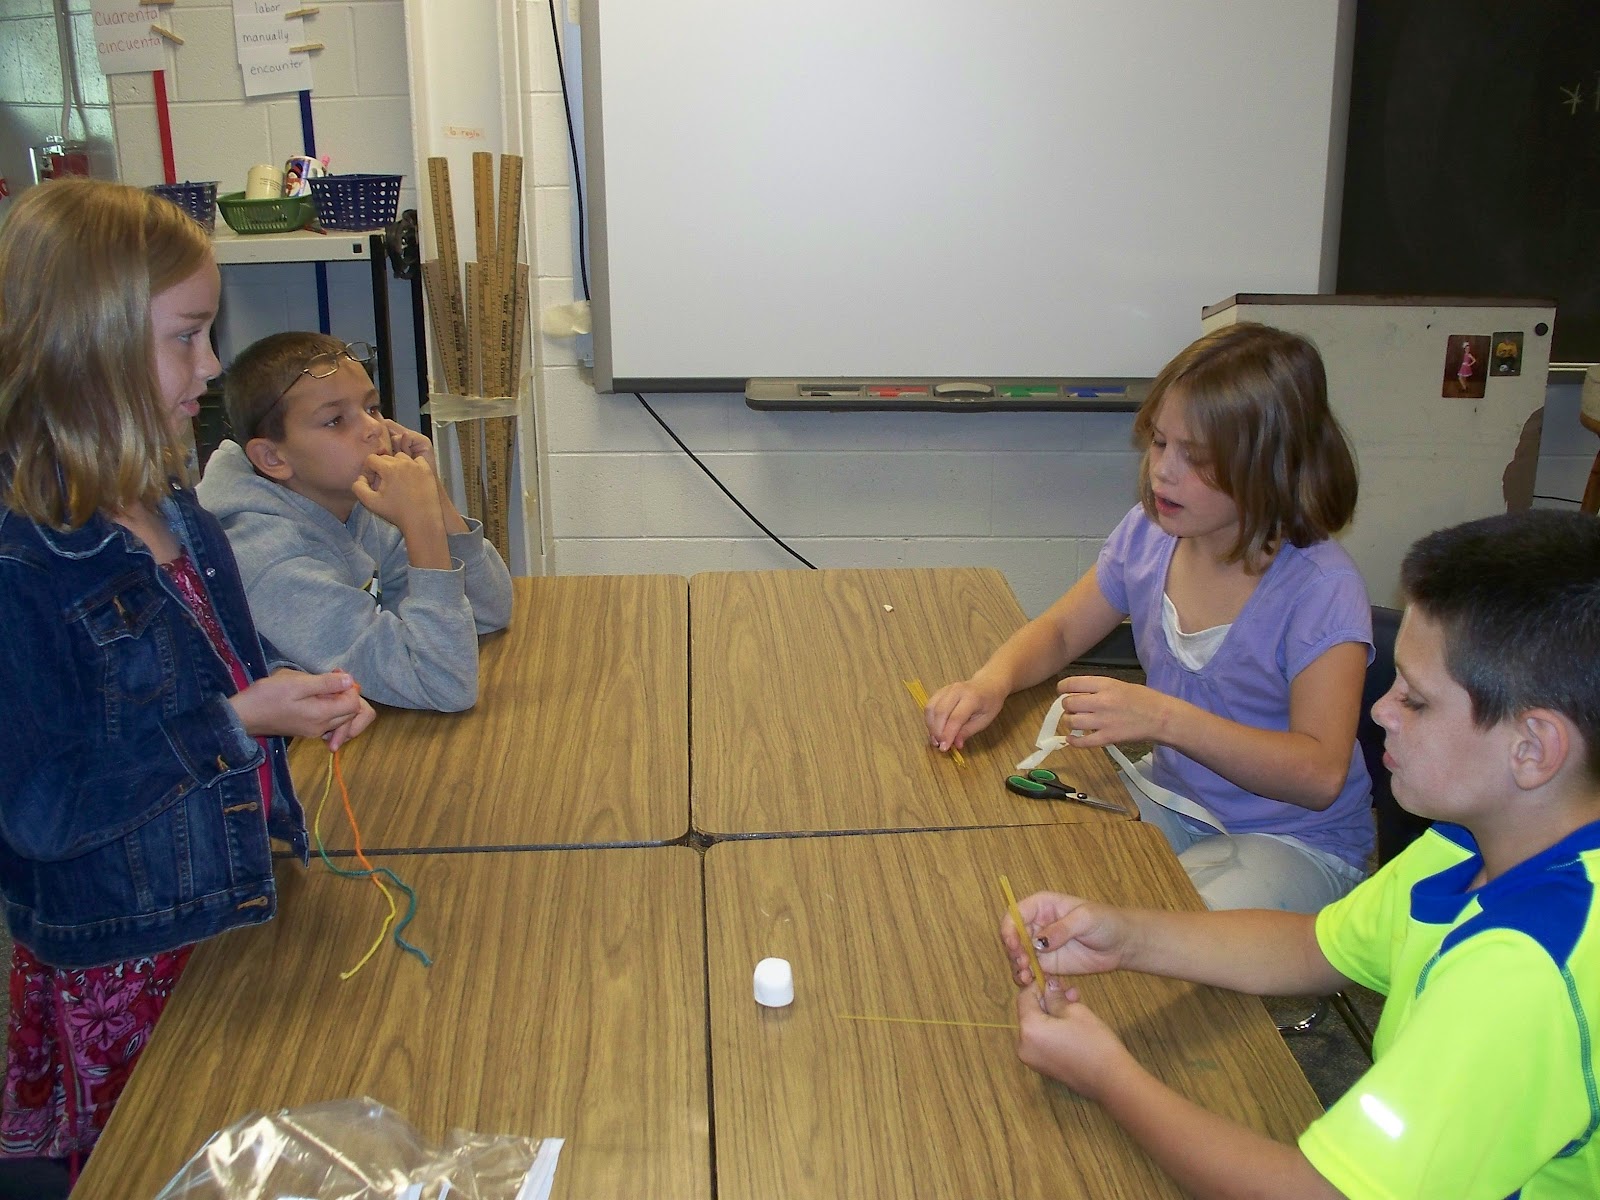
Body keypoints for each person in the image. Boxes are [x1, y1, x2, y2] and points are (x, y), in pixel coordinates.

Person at [1001, 509, 1600, 1199]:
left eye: (1417, 700)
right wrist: (1120, 936)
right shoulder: (1471, 845)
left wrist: (1107, 1075)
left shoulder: (1524, 974)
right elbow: (1316, 949)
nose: (1380, 713)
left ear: (1534, 749)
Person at [0, 179, 375, 1170]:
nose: (208, 368)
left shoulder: (168, 501)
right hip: (128, 953)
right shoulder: (23, 559)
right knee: (156, 1166)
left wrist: (284, 702)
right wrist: (233, 723)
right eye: (186, 336)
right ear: (88, 341)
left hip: (232, 902)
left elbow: (207, 673)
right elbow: (42, 807)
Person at [926, 323, 1373, 913]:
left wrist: (1163, 718)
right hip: (1178, 805)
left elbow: (1318, 776)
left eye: (1198, 457)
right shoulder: (1149, 533)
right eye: (1161, 443)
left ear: (1271, 464)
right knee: (1034, 879)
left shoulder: (1320, 588)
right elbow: (1060, 630)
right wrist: (992, 682)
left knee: (1150, 937)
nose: (1164, 471)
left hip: (1297, 843)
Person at [198, 331, 513, 711]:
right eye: (335, 421)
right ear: (272, 459)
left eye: (372, 408)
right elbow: (444, 684)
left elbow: (490, 611)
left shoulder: (357, 504)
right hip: (293, 758)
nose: (373, 429)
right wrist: (421, 525)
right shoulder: (271, 561)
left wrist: (435, 498)